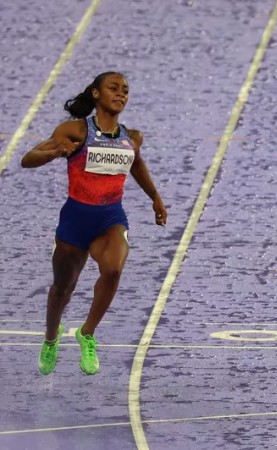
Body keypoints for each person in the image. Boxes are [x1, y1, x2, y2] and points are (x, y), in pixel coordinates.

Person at [21, 72, 167, 375]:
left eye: (125, 90)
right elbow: (28, 158)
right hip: (75, 219)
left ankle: (87, 333)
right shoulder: (75, 130)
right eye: (113, 88)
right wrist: (55, 153)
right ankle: (51, 337)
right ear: (96, 94)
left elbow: (136, 165)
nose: (121, 94)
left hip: (110, 218)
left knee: (113, 268)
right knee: (63, 288)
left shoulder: (132, 137)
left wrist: (155, 197)